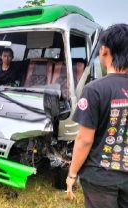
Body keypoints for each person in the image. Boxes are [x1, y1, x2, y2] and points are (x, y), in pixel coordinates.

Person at [66, 24, 128, 208]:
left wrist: (72, 174)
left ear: (104, 50)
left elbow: (84, 139)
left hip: (100, 178)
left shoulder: (94, 90)